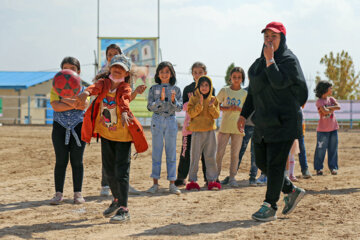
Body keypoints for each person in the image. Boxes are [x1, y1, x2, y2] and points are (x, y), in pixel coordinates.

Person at [238, 22, 307, 221]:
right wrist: (244, 114)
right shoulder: (259, 63)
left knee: (276, 165)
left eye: (273, 36)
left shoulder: (288, 61)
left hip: (284, 122)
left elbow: (278, 82)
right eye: (266, 36)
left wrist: (270, 61)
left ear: (282, 39)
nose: (269, 39)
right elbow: (253, 91)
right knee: (262, 162)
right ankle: (291, 191)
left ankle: (270, 206)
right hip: (264, 122)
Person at [77, 54, 134, 223]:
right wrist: (85, 92)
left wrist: (124, 112)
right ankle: (116, 200)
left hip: (123, 136)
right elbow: (94, 87)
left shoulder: (125, 87)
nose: (117, 70)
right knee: (109, 172)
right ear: (110, 69)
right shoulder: (104, 84)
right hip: (106, 134)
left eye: (121, 68)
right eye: (115, 67)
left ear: (126, 73)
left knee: (121, 172)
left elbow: (125, 99)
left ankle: (124, 209)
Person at [98, 44, 146, 196]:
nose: (112, 56)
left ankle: (123, 184)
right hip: (107, 116)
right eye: (109, 54)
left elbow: (126, 99)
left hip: (123, 118)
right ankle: (106, 185)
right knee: (108, 153)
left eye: (115, 54)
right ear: (106, 57)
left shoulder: (127, 75)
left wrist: (136, 92)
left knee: (122, 156)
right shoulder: (102, 74)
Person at [50, 57, 88, 205]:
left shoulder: (85, 89)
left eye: (73, 68)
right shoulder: (55, 88)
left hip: (79, 127)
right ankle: (58, 193)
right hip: (59, 127)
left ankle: (77, 193)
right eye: (66, 68)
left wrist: (64, 99)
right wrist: (73, 102)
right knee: (61, 161)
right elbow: (55, 106)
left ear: (78, 71)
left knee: (77, 161)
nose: (69, 71)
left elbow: (83, 105)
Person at [146, 61, 182, 195]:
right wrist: (160, 100)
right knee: (156, 152)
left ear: (171, 73)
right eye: (162, 72)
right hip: (157, 120)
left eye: (167, 72)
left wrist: (173, 101)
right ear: (158, 74)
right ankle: (155, 184)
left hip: (171, 120)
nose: (164, 74)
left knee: (171, 152)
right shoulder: (153, 88)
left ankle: (172, 184)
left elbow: (179, 108)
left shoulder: (176, 89)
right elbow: (149, 107)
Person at [175, 62, 213, 187]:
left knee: (205, 154)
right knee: (185, 153)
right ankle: (181, 177)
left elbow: (212, 105)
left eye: (200, 72)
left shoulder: (210, 87)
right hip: (189, 128)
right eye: (195, 72)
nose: (197, 75)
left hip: (204, 127)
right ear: (192, 74)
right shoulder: (188, 89)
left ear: (205, 73)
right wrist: (196, 103)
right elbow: (184, 106)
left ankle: (209, 179)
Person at [186, 76, 221, 191]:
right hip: (196, 132)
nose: (204, 87)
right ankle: (192, 181)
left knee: (210, 156)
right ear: (198, 86)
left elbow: (216, 115)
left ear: (210, 87)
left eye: (207, 85)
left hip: (210, 132)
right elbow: (191, 113)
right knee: (194, 157)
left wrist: (210, 106)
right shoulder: (193, 99)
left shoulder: (214, 99)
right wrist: (200, 104)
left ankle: (212, 180)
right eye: (202, 85)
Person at [215, 67, 247, 187]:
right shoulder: (224, 90)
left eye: (239, 77)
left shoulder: (245, 94)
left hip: (238, 128)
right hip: (224, 126)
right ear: (230, 78)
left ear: (242, 79)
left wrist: (239, 110)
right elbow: (215, 105)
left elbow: (247, 111)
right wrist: (227, 108)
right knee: (219, 152)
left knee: (235, 154)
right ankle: (215, 176)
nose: (236, 79)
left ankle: (232, 177)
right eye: (234, 77)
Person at [313, 81, 341, 175]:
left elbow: (339, 107)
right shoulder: (319, 101)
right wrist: (332, 108)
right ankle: (319, 168)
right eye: (330, 88)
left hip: (333, 129)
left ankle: (333, 168)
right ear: (325, 89)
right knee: (321, 150)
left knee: (333, 149)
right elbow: (324, 112)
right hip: (322, 130)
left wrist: (327, 107)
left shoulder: (331, 99)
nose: (332, 90)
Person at [298, 105, 312, 178]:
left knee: (302, 150)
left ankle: (305, 169)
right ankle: (285, 172)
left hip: (299, 129)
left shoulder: (299, 103)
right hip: (287, 128)